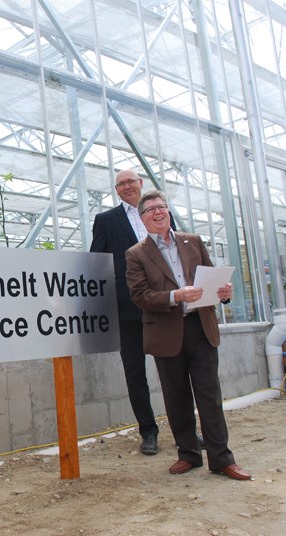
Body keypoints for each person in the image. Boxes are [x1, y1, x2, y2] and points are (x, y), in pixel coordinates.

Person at [125, 191, 251, 480]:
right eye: (151, 210)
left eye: (162, 207)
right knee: (176, 397)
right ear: (142, 219)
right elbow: (140, 296)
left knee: (210, 396)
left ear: (168, 211)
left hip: (200, 326)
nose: (158, 213)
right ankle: (188, 454)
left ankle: (221, 459)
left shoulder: (192, 241)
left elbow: (212, 277)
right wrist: (174, 295)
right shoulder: (136, 254)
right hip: (167, 332)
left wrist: (225, 293)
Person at [90, 169, 162, 455]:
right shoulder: (107, 221)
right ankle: (148, 431)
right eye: (121, 183)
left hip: (164, 305)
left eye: (131, 181)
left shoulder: (158, 215)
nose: (127, 186)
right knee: (134, 371)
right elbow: (96, 261)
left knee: (174, 369)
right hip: (127, 307)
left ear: (141, 184)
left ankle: (185, 428)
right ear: (117, 190)